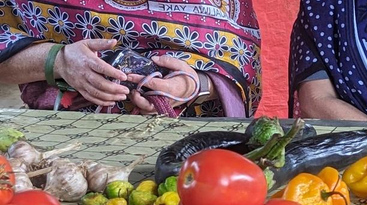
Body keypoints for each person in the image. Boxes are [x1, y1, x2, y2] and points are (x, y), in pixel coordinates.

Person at [0, 0, 262, 117]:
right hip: (60, 135)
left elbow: (239, 59)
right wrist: (59, 60)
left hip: (188, 146)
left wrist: (192, 86)